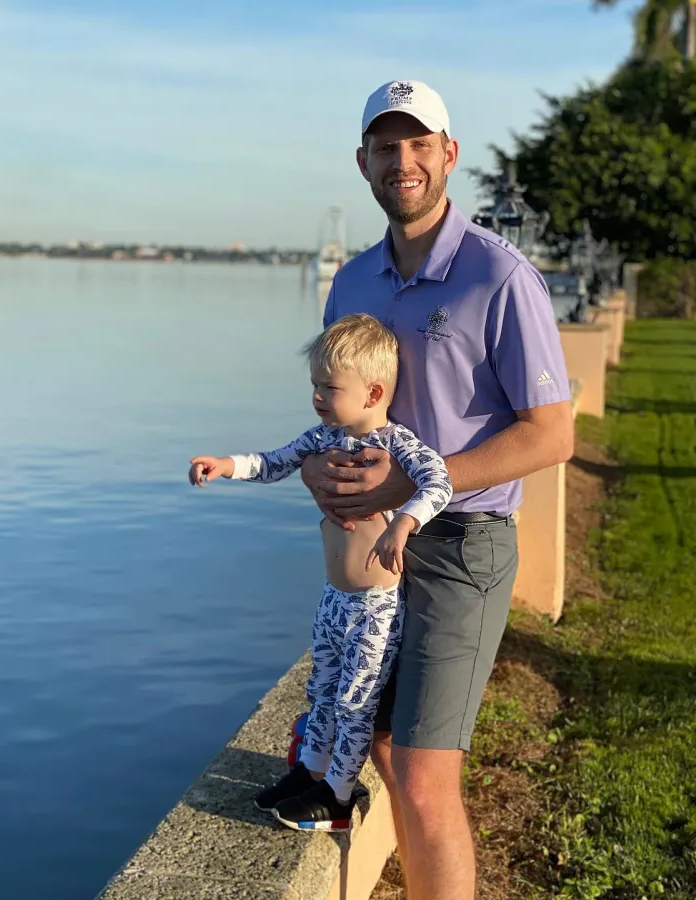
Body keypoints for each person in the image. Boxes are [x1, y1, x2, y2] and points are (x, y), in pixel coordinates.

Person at [298, 80, 574, 898]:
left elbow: (552, 433)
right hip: (377, 548)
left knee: (422, 773)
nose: (404, 160)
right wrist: (321, 465)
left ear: (449, 155)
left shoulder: (500, 276)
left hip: (463, 546)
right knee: (381, 744)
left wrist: (419, 482)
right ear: (364, 164)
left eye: (420, 143)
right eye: (387, 146)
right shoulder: (351, 283)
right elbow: (341, 402)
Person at [187, 313, 453, 832]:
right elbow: (273, 461)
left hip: (374, 605)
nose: (317, 397)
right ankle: (311, 770)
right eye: (314, 386)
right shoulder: (320, 438)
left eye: (328, 388)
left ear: (373, 393)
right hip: (334, 598)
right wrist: (226, 464)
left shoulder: (398, 445)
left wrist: (404, 522)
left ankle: (339, 792)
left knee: (357, 699)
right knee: (324, 688)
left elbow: (439, 481)